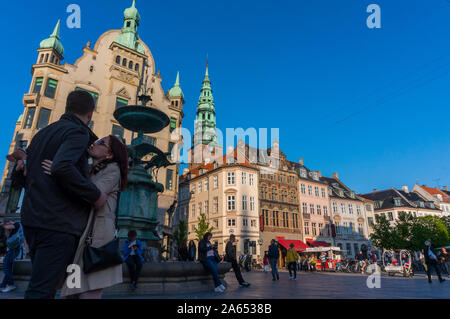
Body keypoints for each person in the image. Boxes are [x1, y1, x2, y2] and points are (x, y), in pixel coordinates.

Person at [6, 90, 108, 299]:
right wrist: (95, 195)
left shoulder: (41, 135)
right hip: (59, 223)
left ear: (66, 107)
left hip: (33, 219)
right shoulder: (78, 132)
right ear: (90, 114)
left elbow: (27, 178)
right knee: (42, 289)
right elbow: (62, 167)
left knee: (55, 284)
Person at [54, 135, 128, 299]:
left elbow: (92, 193)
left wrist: (62, 173)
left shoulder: (113, 169)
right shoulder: (92, 169)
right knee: (73, 290)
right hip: (86, 236)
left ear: (109, 155)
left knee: (90, 291)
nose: (94, 143)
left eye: (101, 143)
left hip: (98, 240)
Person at [0, 220, 24, 293]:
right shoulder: (12, 229)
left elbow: (6, 226)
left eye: (8, 223)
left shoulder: (17, 224)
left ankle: (11, 284)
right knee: (8, 267)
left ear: (11, 221)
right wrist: (6, 229)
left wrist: (2, 224)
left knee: (5, 266)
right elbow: (7, 235)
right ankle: (3, 285)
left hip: (15, 249)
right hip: (11, 249)